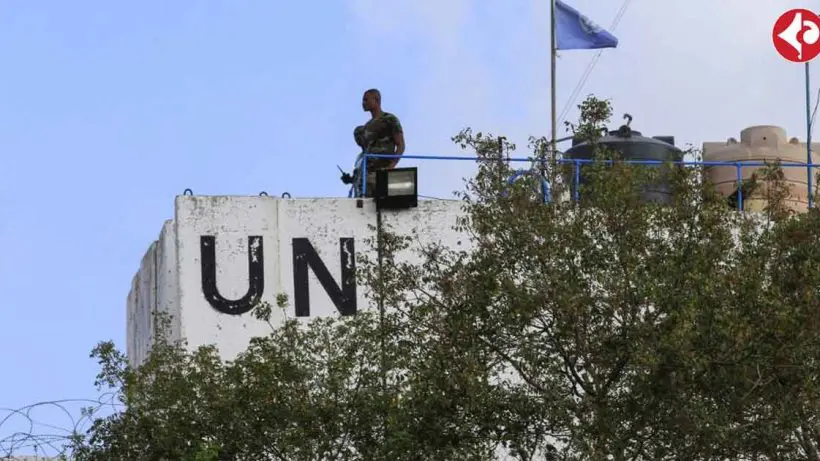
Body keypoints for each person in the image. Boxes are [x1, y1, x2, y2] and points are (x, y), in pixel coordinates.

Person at [341, 89, 405, 196]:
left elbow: (400, 145)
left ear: (376, 99)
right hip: (364, 177)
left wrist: (391, 167)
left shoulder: (389, 119)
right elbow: (366, 153)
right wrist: (351, 179)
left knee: (380, 208)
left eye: (366, 100)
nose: (363, 103)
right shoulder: (363, 130)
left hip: (380, 173)